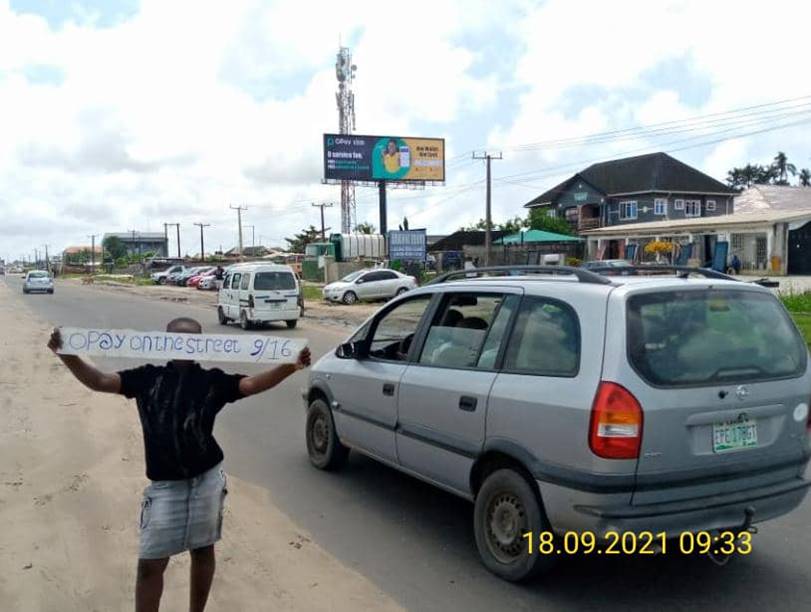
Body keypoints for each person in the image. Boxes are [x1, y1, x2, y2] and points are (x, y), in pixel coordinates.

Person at [47, 318, 311, 612]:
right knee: (150, 565)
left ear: (201, 344)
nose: (184, 346)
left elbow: (249, 385)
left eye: (191, 340)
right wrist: (67, 354)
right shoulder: (146, 378)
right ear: (165, 342)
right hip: (165, 488)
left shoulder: (212, 380)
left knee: (202, 550)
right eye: (177, 340)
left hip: (206, 481)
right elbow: (100, 381)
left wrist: (290, 367)